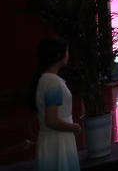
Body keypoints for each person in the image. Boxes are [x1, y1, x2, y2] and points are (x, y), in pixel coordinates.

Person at [28, 37, 81, 171]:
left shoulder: (43, 79)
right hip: (59, 140)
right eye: (66, 51)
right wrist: (75, 127)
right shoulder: (53, 82)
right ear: (58, 55)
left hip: (49, 140)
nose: (68, 54)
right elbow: (52, 121)